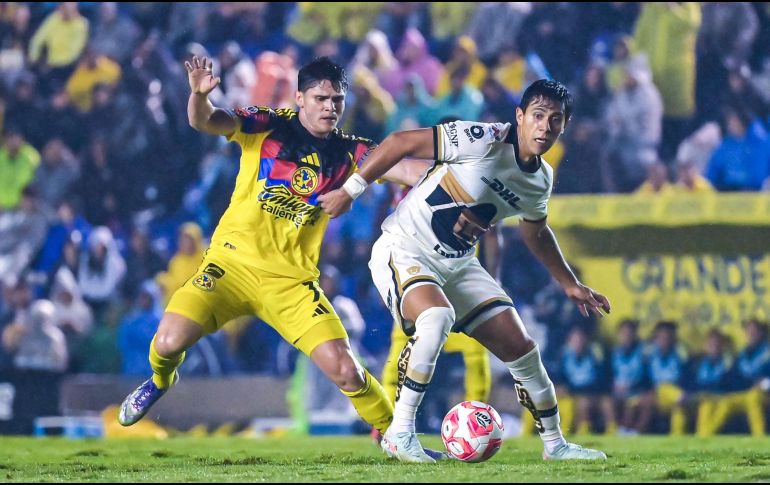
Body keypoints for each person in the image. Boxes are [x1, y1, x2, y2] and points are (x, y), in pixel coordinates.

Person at [118, 56, 429, 447]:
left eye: (337, 100)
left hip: (291, 284)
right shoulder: (267, 125)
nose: (330, 108)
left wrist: (464, 167)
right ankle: (161, 380)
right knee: (167, 343)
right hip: (229, 268)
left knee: (347, 371)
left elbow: (409, 170)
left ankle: (397, 438)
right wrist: (198, 96)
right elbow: (205, 120)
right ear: (300, 97)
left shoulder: (352, 153)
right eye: (320, 98)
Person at [319, 79, 611, 462]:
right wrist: (351, 190)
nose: (545, 127)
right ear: (520, 117)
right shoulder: (481, 138)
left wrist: (569, 283)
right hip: (405, 249)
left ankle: (555, 445)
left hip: (457, 265)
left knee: (522, 347)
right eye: (538, 116)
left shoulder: (541, 179)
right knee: (437, 316)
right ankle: (400, 434)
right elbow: (400, 143)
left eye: (556, 120)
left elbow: (536, 230)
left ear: (564, 127)